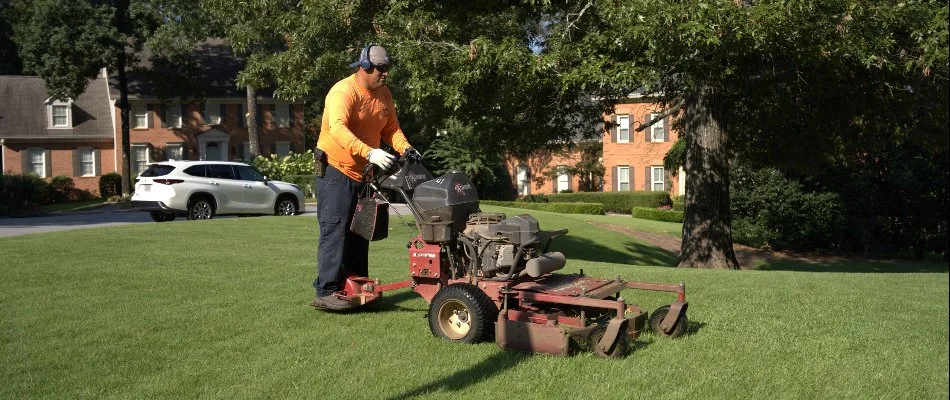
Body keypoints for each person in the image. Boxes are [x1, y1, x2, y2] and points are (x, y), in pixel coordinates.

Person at [311, 44, 420, 310]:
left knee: (361, 230)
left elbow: (391, 128)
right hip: (336, 170)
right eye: (381, 69)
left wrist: (406, 147)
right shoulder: (343, 92)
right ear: (364, 67)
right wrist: (369, 152)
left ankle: (357, 286)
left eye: (387, 69)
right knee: (335, 229)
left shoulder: (384, 94)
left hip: (364, 174)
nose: (385, 74)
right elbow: (337, 128)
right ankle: (326, 291)